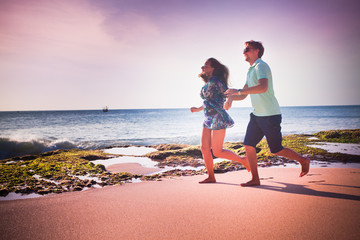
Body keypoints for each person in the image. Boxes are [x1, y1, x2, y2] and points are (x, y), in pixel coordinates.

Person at [225, 40, 310, 187]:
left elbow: (263, 87)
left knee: (276, 150)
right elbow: (244, 95)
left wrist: (238, 90)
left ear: (257, 50)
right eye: (244, 50)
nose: (244, 52)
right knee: (248, 144)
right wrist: (231, 97)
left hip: (270, 115)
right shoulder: (251, 70)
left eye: (247, 49)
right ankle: (255, 178)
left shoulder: (261, 66)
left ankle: (303, 160)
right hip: (257, 115)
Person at [191, 58, 250, 183]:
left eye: (205, 66)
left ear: (213, 68)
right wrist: (197, 109)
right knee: (204, 148)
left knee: (217, 151)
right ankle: (211, 176)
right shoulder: (209, 82)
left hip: (217, 117)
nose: (202, 67)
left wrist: (230, 100)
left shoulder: (217, 81)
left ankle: (243, 160)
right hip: (208, 118)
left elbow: (229, 93)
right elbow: (208, 102)